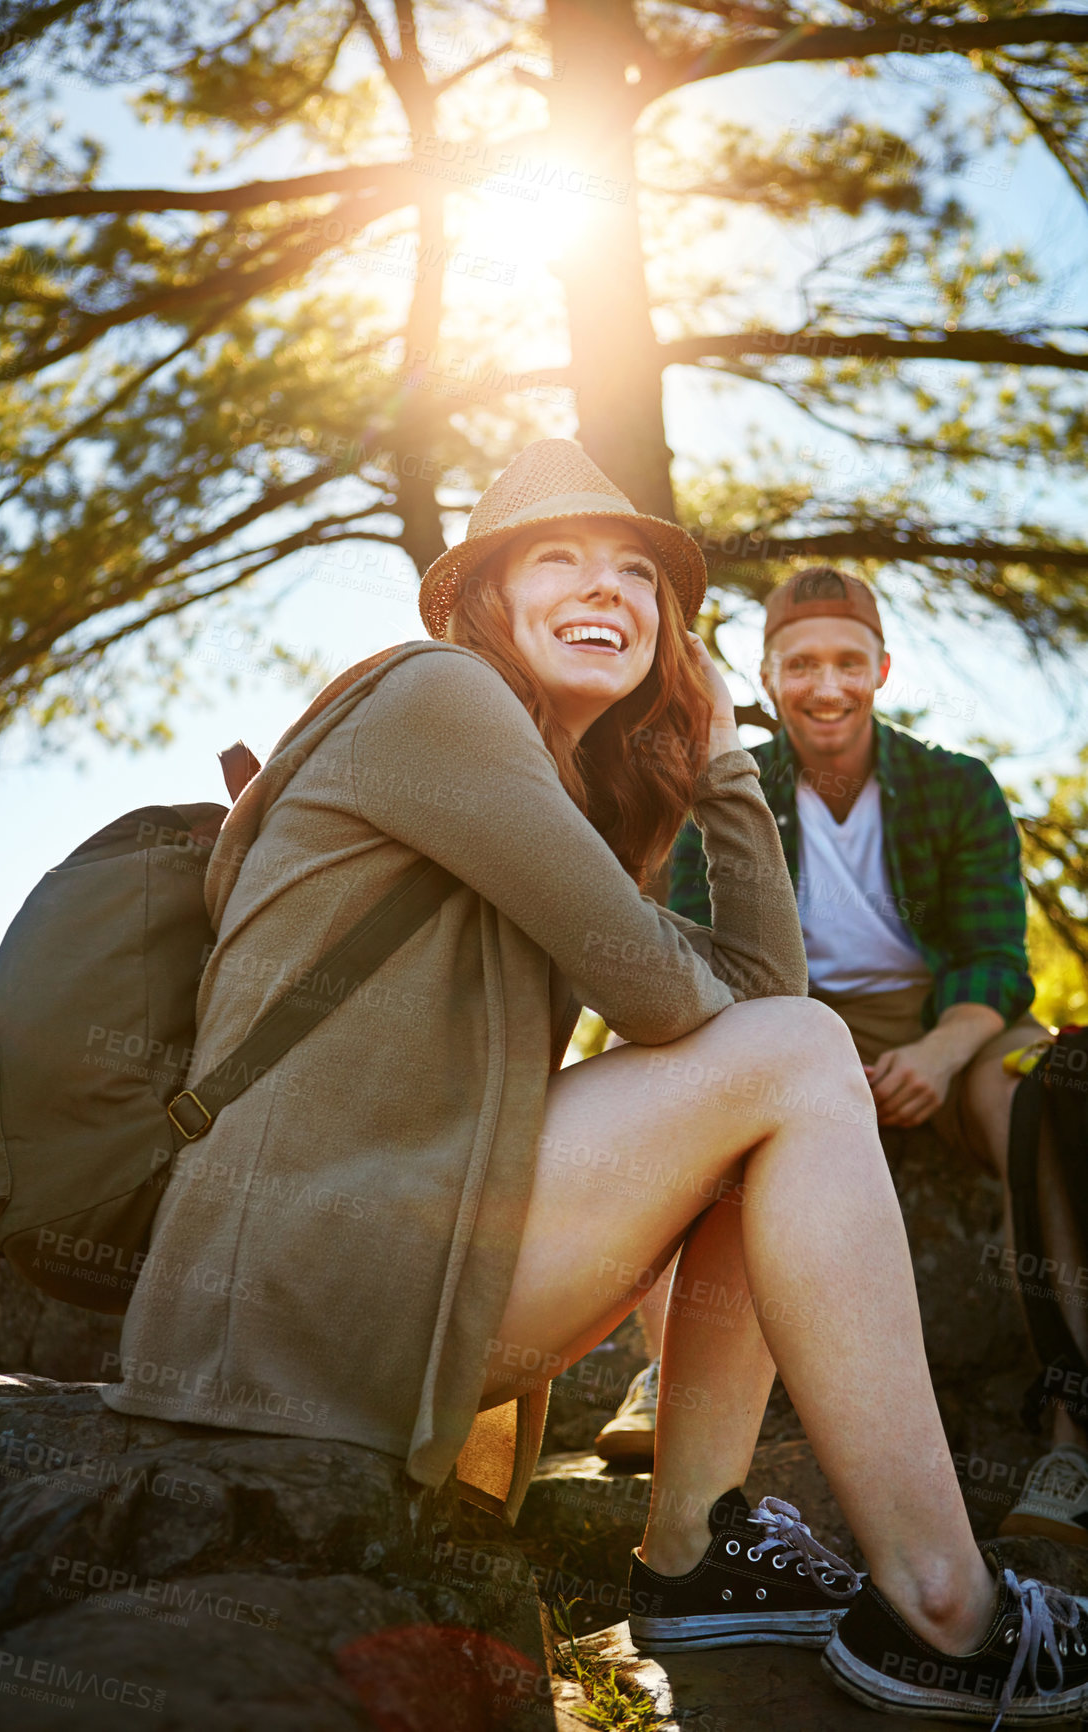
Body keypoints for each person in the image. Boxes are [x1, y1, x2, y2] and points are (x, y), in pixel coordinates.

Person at [100, 447, 1085, 1722]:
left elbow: (760, 992)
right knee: (785, 1058)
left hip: (410, 1255)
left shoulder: (543, 775)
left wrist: (724, 756)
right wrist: (726, 881)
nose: (606, 588)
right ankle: (946, 1604)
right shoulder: (437, 696)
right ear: (480, 602)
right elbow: (691, 1005)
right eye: (554, 559)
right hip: (305, 1287)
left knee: (775, 1082)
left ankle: (692, 1547)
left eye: (635, 572)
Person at [600, 566, 1084, 1546]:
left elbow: (992, 957)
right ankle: (663, 1368)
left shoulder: (955, 784)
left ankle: (1074, 1434)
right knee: (643, 1061)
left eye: (845, 662)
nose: (825, 686)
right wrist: (797, 1066)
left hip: (945, 1020)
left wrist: (946, 1051)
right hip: (783, 1016)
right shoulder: (724, 786)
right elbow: (689, 952)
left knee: (1056, 1092)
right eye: (801, 665)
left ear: (881, 668)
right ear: (769, 678)